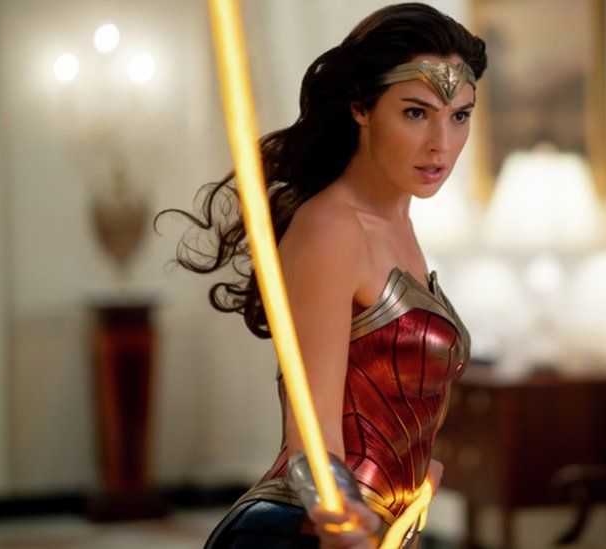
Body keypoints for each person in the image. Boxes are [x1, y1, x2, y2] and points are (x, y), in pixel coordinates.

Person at [157, 3, 486, 547]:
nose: (441, 144)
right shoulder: (333, 226)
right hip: (296, 532)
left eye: (459, 116)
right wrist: (341, 515)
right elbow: (310, 429)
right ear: (361, 106)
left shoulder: (397, 225)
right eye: (415, 113)